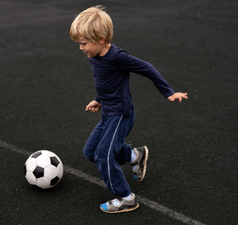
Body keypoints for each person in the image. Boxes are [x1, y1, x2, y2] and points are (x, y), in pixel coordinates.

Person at [69, 5, 188, 213]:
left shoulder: (117, 57)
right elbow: (107, 82)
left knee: (103, 155)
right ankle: (134, 156)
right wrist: (98, 99)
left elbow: (147, 68)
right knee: (90, 152)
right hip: (108, 112)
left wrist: (168, 92)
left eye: (83, 43)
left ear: (101, 40)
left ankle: (125, 197)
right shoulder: (95, 56)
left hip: (120, 115)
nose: (81, 48)